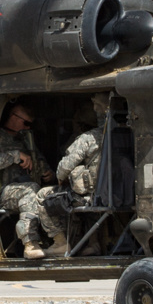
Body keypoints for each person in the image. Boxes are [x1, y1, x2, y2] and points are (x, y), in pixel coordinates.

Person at [34, 94, 111, 256]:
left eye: (97, 105)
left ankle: (60, 243)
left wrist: (60, 178)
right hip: (115, 195)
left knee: (42, 195)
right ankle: (93, 243)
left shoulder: (89, 138)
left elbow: (64, 167)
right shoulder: (123, 135)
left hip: (92, 198)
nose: (95, 108)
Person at [0, 101, 63, 259]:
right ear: (13, 117)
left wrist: (48, 173)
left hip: (28, 189)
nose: (27, 127)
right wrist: (15, 156)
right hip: (2, 191)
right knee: (30, 190)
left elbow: (40, 159)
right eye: (25, 123)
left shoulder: (26, 140)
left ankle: (60, 241)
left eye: (30, 124)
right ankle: (30, 244)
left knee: (53, 194)